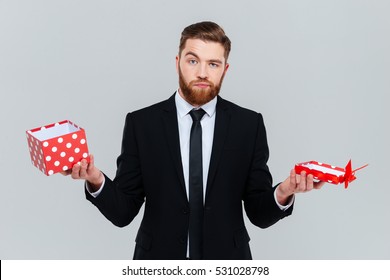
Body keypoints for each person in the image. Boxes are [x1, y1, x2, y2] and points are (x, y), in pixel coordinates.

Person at [63, 21, 324, 260]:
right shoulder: (142, 124)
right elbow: (123, 212)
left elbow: (258, 212)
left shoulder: (248, 125)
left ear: (225, 69)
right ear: (177, 62)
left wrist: (284, 191)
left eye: (213, 64)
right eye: (192, 61)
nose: (202, 73)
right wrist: (96, 180)